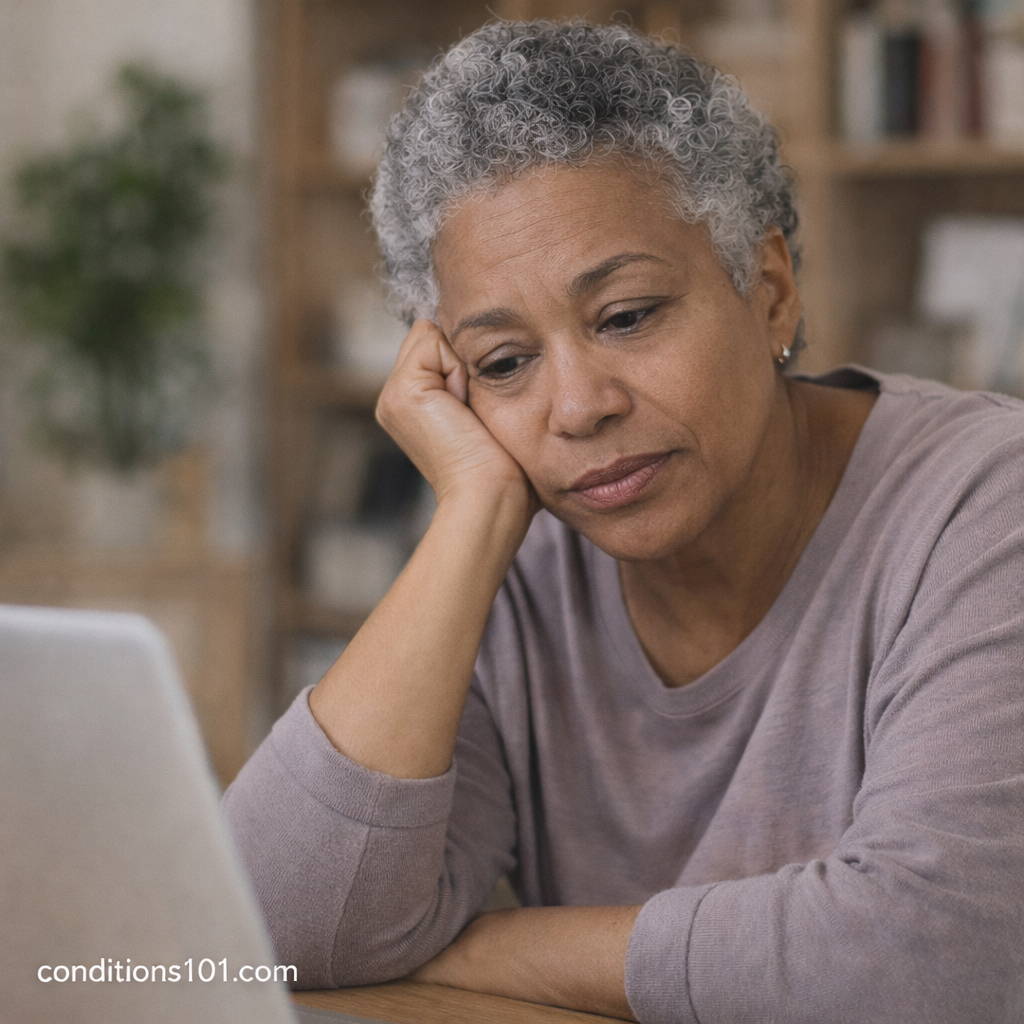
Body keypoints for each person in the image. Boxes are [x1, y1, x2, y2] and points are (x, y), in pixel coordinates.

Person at [224, 20, 1024, 1023]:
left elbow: (929, 959)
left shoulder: (987, 504)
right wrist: (469, 515)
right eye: (505, 362)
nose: (577, 406)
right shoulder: (523, 557)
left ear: (769, 293)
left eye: (627, 315)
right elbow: (266, 929)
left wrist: (478, 950)